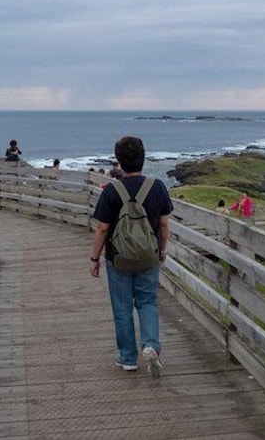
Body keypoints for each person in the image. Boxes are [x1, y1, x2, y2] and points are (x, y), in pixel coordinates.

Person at [90, 136, 173, 378]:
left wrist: (94, 259)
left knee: (122, 306)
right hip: (149, 256)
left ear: (118, 161)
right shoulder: (157, 187)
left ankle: (127, 358)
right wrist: (162, 250)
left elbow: (102, 228)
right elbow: (165, 225)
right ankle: (150, 345)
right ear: (143, 159)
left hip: (118, 259)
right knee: (147, 302)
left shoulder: (112, 190)